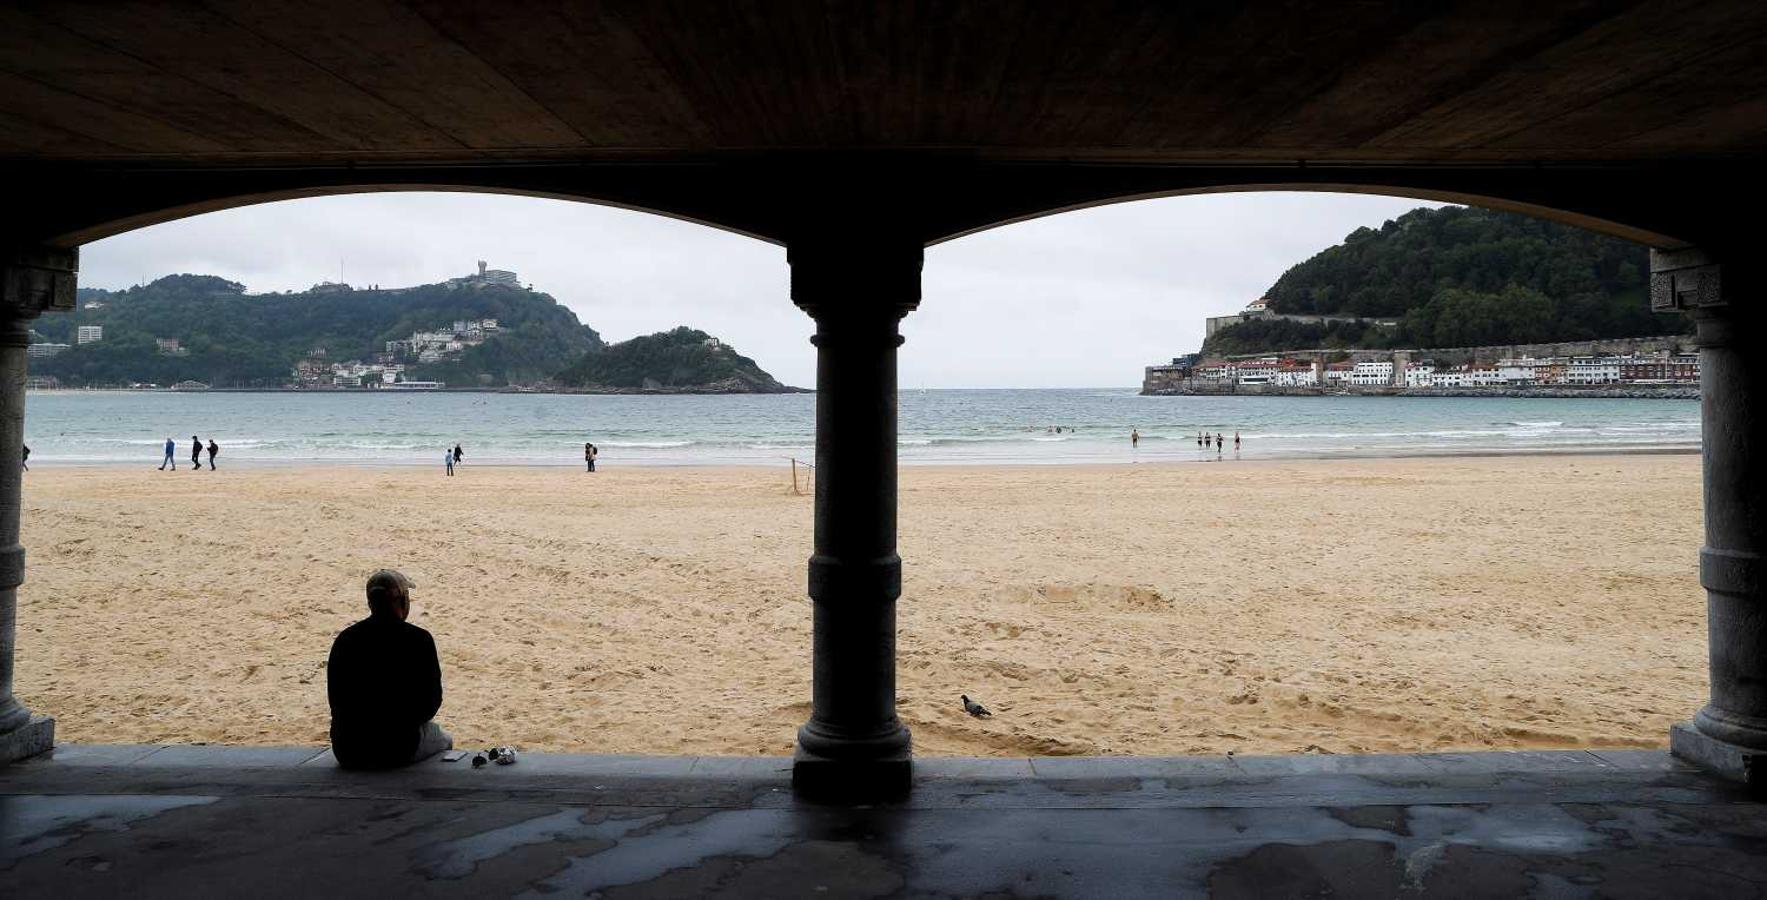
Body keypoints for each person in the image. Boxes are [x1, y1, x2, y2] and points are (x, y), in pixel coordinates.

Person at [326, 569, 451, 769]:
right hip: (398, 748)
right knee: (445, 739)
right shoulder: (419, 639)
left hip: (348, 750)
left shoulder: (345, 640)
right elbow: (431, 702)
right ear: (402, 601)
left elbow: (336, 700)